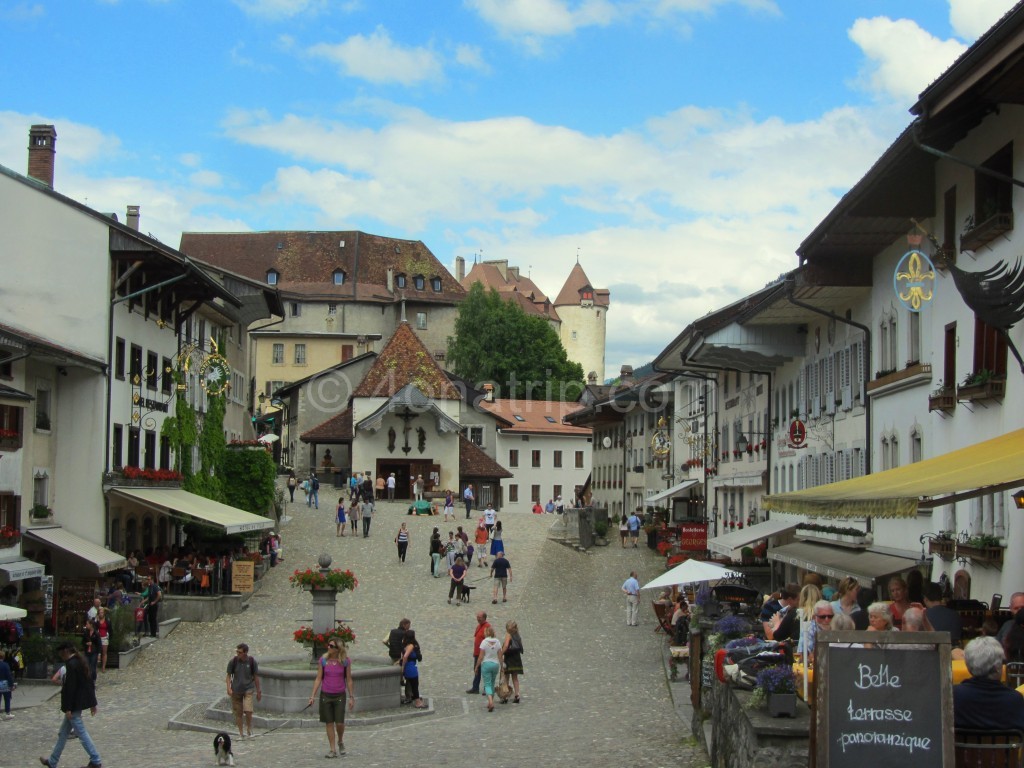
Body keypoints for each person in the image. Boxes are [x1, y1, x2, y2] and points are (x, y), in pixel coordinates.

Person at [39, 641, 101, 768]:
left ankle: (95, 760)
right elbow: (89, 683)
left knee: (81, 733)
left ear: (66, 651)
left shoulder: (72, 665)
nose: (60, 655)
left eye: (61, 652)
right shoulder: (80, 662)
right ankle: (53, 761)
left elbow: (70, 688)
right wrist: (93, 703)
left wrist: (68, 708)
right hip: (77, 703)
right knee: (63, 733)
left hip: (73, 705)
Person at [953, 637, 1024, 732]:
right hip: (1005, 747)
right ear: (998, 667)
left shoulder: (954, 695)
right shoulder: (1015, 699)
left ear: (968, 667)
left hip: (962, 747)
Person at [308, 638, 355, 758]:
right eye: (328, 645)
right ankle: (332, 749)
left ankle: (340, 740)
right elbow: (319, 678)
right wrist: (312, 695)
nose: (328, 647)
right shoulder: (323, 660)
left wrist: (351, 696)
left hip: (339, 695)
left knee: (339, 723)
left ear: (338, 649)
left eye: (331, 646)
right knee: (329, 723)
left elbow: (349, 679)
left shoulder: (345, 662)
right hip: (326, 695)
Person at [226, 643, 261, 739]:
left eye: (240, 652)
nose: (237, 653)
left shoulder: (251, 662)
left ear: (245, 652)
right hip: (236, 690)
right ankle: (241, 733)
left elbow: (256, 677)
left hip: (248, 689)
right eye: (237, 651)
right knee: (238, 713)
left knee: (248, 710)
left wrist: (258, 691)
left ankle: (249, 729)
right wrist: (228, 688)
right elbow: (228, 676)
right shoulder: (233, 662)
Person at [923, 581, 962, 646]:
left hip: (930, 654)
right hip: (952, 654)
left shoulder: (923, 616)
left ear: (925, 599)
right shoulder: (955, 615)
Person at [475, 625, 503, 712]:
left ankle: (490, 701)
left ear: (486, 633)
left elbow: (480, 656)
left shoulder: (484, 642)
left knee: (487, 684)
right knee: (492, 683)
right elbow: (500, 656)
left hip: (486, 664)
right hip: (495, 665)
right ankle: (491, 701)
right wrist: (502, 666)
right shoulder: (497, 642)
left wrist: (477, 666)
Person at [400, 630, 426, 709]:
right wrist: (403, 667)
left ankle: (417, 700)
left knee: (413, 685)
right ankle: (418, 703)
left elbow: (402, 656)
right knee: (415, 685)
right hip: (411, 668)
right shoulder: (411, 646)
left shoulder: (404, 645)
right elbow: (405, 656)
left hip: (409, 668)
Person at [466, 610, 491, 694]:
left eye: (479, 617)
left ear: (484, 618)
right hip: (477, 653)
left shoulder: (487, 627)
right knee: (476, 670)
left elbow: (490, 640)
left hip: (484, 653)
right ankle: (475, 687)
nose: (478, 619)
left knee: (485, 671)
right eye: (477, 617)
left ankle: (485, 688)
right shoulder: (478, 626)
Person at [501, 620, 524, 704]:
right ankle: (517, 694)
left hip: (509, 658)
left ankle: (505, 696)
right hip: (517, 657)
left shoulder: (509, 634)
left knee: (506, 677)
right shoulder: (517, 635)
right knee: (515, 678)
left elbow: (506, 645)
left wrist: (501, 653)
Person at [0, 649, 15, 720]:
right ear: (3, 657)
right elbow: (9, 675)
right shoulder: (5, 665)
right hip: (4, 683)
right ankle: (8, 712)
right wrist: (11, 685)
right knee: (7, 698)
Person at [96, 607, 111, 673]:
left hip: (105, 637)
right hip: (97, 638)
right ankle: (96, 666)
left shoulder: (107, 620)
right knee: (97, 652)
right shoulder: (96, 620)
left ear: (104, 613)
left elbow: (110, 629)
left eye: (102, 612)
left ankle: (103, 667)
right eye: (100, 613)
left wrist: (109, 636)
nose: (101, 614)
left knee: (104, 653)